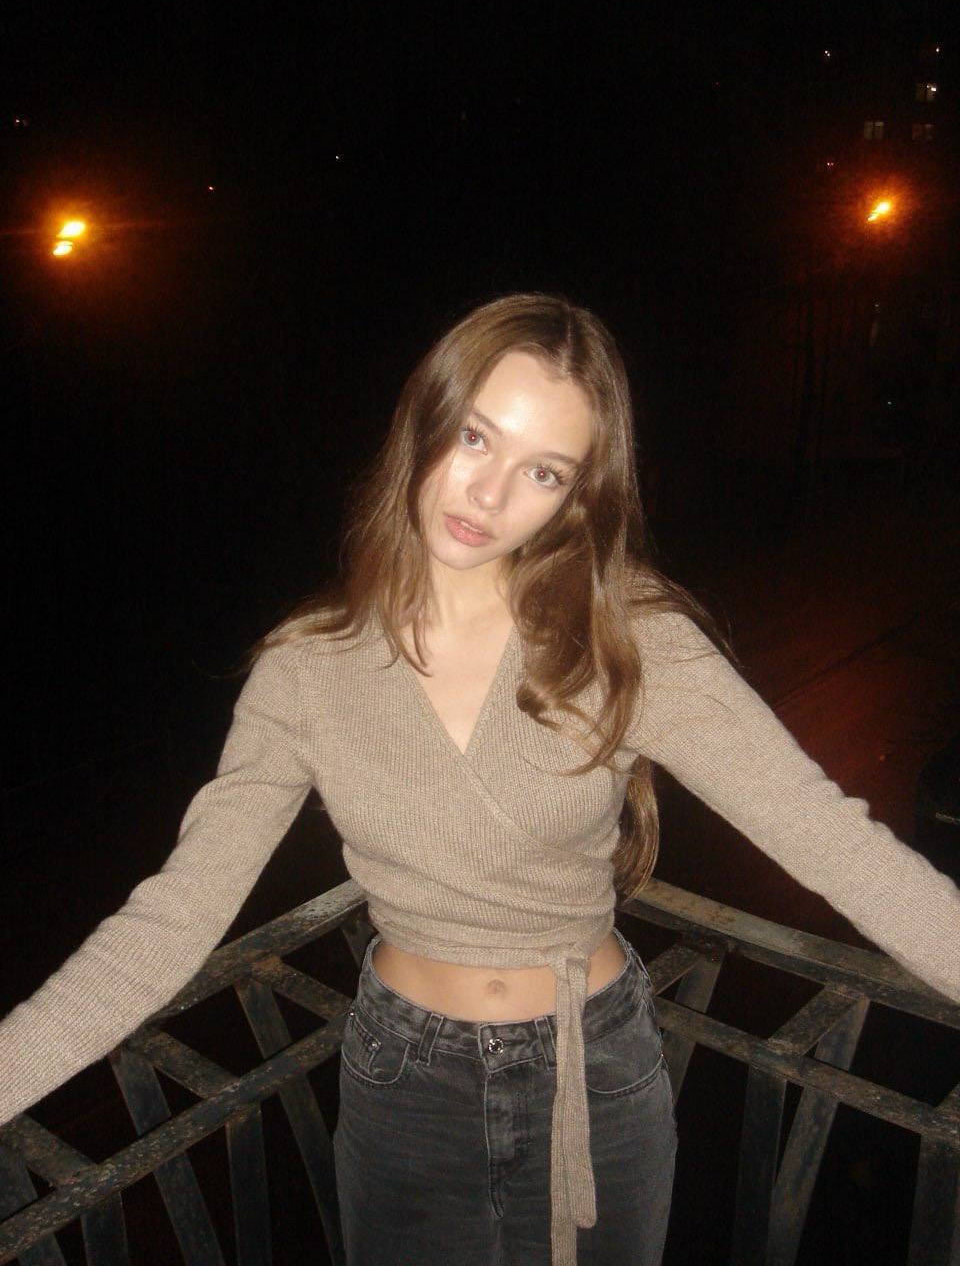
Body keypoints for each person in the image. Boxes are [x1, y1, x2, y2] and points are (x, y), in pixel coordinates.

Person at [1, 292, 958, 1266]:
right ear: (423, 422)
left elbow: (831, 839)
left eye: (543, 471)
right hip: (406, 1085)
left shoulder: (627, 636)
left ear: (575, 496)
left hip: (595, 1070)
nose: (490, 495)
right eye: (474, 437)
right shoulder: (307, 669)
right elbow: (173, 918)